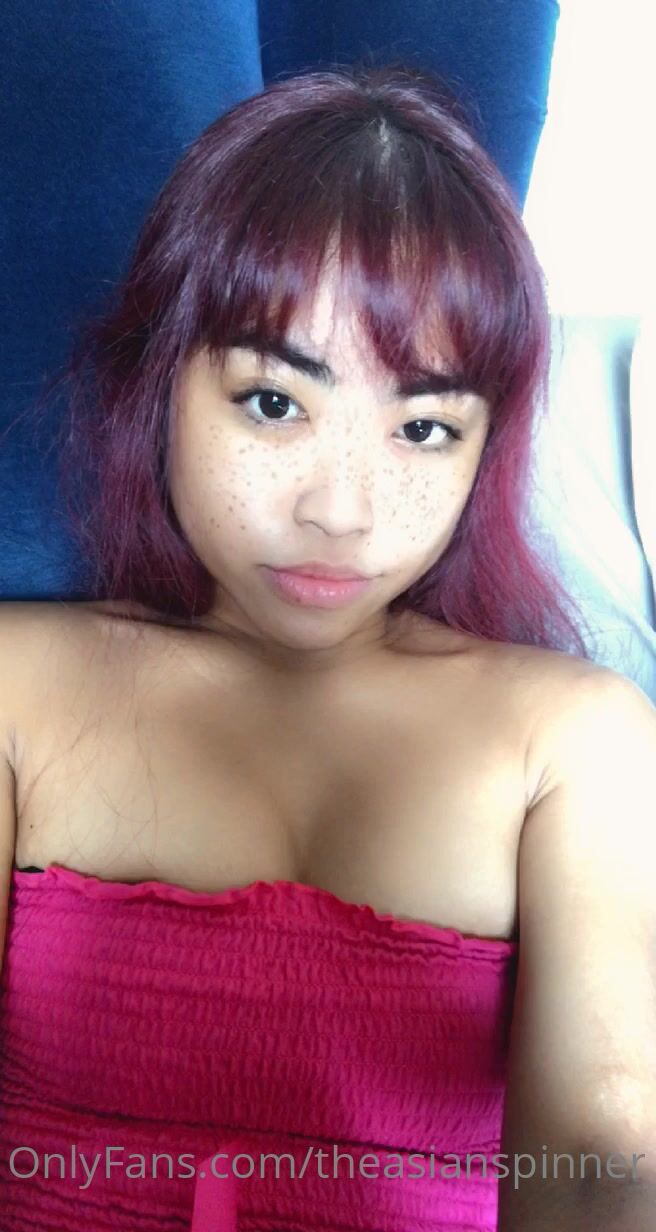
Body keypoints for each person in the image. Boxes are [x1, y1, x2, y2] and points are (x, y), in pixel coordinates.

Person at [1, 61, 655, 1232]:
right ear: (162, 379)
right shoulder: (18, 687)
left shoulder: (573, 740)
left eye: (423, 427)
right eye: (273, 402)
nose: (341, 512)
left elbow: (601, 1162)